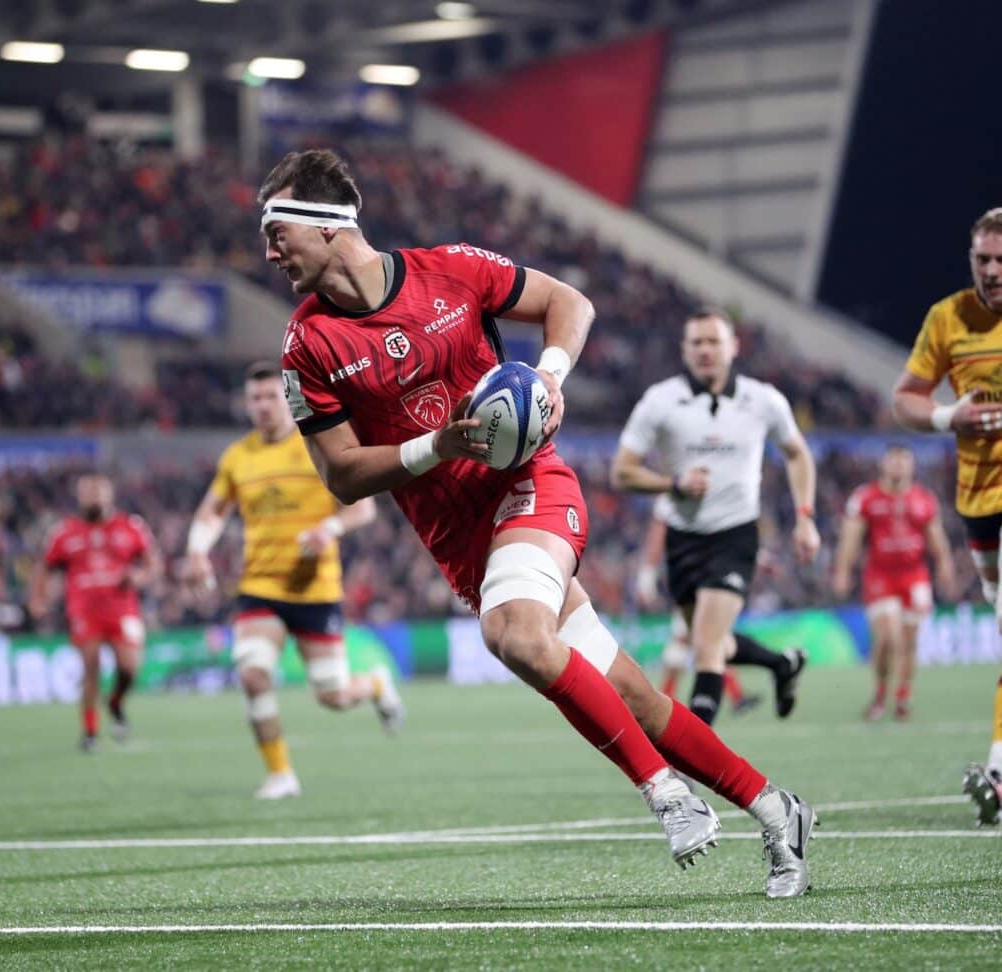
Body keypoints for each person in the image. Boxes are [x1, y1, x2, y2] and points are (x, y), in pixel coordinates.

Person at [261, 148, 816, 896]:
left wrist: (548, 378)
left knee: (514, 634)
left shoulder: (451, 268)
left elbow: (571, 304)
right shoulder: (306, 347)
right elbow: (341, 473)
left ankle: (666, 795)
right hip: (459, 539)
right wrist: (440, 445)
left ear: (329, 227)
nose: (268, 249)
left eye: (278, 229)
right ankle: (778, 810)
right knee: (637, 697)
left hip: (530, 483)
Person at [185, 360, 402, 800]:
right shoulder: (238, 457)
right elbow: (212, 511)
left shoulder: (317, 448)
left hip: (315, 591)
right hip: (260, 588)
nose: (263, 406)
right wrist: (196, 550)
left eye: (271, 396)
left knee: (334, 697)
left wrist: (330, 529)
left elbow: (362, 508)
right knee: (252, 674)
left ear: (286, 400)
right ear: (246, 404)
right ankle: (281, 774)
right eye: (255, 398)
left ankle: (376, 683)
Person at [611, 308, 816, 728]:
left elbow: (797, 453)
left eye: (714, 342)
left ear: (733, 347)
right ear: (684, 349)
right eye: (697, 343)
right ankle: (781, 664)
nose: (705, 350)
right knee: (715, 643)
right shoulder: (660, 400)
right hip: (683, 539)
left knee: (704, 647)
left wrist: (806, 516)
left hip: (735, 535)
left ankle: (695, 755)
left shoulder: (763, 400)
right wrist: (673, 483)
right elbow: (622, 471)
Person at [891, 206, 1002, 825]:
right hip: (979, 500)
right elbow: (904, 397)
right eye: (982, 260)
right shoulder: (950, 317)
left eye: (1000, 260)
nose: (991, 271)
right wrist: (946, 417)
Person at [28, 473, 160, 751]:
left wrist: (138, 577)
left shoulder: (130, 526)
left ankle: (116, 701)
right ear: (78, 497)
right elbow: (44, 567)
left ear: (110, 495)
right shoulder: (65, 532)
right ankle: (89, 733)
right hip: (83, 611)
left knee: (129, 667)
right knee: (91, 667)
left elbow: (152, 564)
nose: (94, 497)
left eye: (99, 491)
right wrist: (38, 597)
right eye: (88, 492)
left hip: (123, 610)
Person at [832, 444, 957, 721]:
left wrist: (945, 567)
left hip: (915, 577)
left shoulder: (924, 499)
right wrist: (842, 571)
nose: (899, 466)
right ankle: (879, 694)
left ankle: (902, 695)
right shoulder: (866, 497)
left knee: (910, 642)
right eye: (894, 460)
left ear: (912, 466)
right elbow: (850, 538)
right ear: (884, 464)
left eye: (904, 461)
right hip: (880, 576)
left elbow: (936, 538)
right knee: (887, 638)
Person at [636, 496, 760, 714]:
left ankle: (734, 697)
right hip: (693, 579)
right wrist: (647, 577)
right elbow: (656, 542)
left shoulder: (679, 495)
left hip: (697, 578)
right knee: (699, 642)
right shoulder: (673, 498)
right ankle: (662, 701)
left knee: (704, 641)